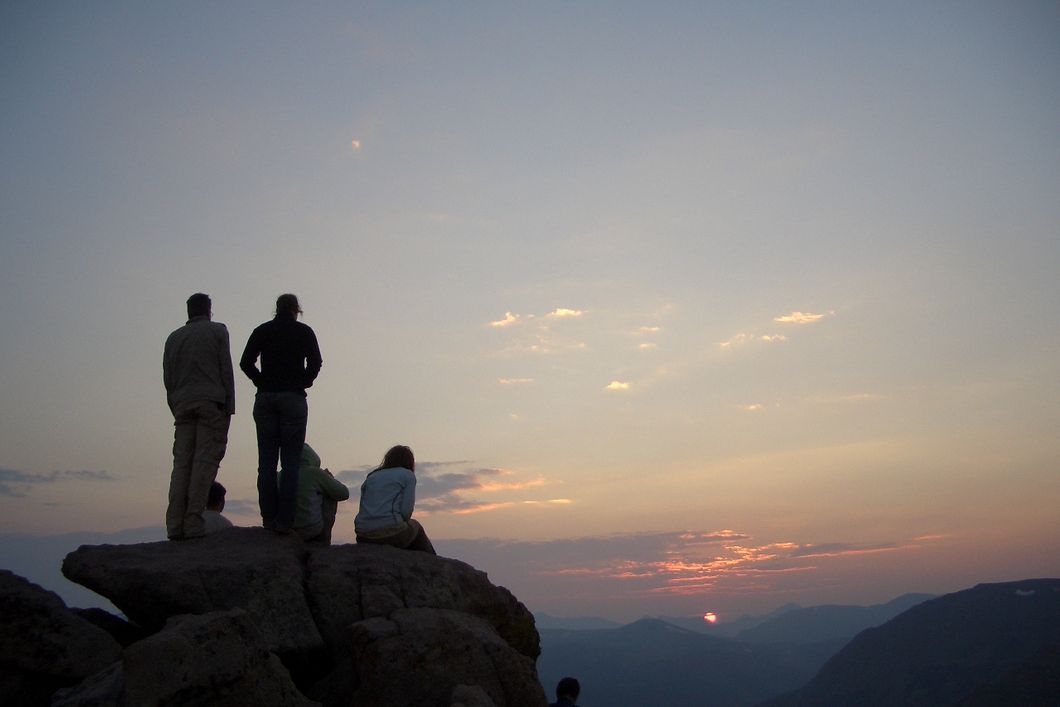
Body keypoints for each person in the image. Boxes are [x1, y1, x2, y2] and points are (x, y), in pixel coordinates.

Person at [240, 294, 322, 534]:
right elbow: (316, 362)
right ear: (297, 310)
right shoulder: (304, 332)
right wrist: (304, 382)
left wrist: (261, 381)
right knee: (291, 464)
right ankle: (285, 522)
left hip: (265, 398)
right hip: (293, 398)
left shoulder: (262, 330)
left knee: (266, 464)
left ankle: (269, 518)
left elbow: (246, 362)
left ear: (276, 309)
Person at [163, 293, 235, 540]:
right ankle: (193, 522)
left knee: (181, 464)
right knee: (204, 463)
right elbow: (226, 369)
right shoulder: (218, 331)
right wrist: (229, 408)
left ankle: (174, 523)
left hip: (182, 404)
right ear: (209, 310)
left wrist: (175, 404)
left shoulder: (173, 338)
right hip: (210, 403)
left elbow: (168, 378)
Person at [354, 445, 436, 554]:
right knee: (416, 527)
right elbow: (406, 513)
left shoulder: (372, 476)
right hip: (390, 534)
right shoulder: (408, 475)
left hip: (362, 535)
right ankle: (432, 564)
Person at [293, 443, 349, 545]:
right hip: (309, 528)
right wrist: (330, 479)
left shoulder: (280, 475)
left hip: (287, 529)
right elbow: (343, 493)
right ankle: (324, 540)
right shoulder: (315, 473)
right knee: (330, 494)